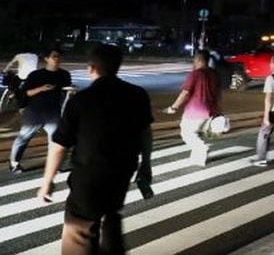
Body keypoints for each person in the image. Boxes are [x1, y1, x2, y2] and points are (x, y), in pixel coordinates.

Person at [38, 44, 153, 255]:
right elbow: (145, 133)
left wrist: (47, 181)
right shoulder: (138, 95)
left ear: (92, 68)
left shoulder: (81, 100)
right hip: (122, 171)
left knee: (80, 228)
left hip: (88, 175)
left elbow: (59, 146)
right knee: (110, 213)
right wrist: (146, 165)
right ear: (118, 66)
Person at [11, 47, 72, 173]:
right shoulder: (36, 75)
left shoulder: (64, 74)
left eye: (59, 56)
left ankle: (55, 165)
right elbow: (25, 93)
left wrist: (70, 91)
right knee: (24, 137)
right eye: (54, 56)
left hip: (53, 112)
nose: (57, 59)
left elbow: (66, 89)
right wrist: (41, 89)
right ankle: (15, 163)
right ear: (46, 59)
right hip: (35, 111)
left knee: (56, 140)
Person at [165, 50, 220, 167]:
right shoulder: (214, 73)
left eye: (194, 59)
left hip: (195, 109)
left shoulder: (195, 74)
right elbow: (218, 93)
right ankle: (197, 158)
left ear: (198, 60)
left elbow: (185, 92)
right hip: (210, 110)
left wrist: (174, 107)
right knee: (196, 132)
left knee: (186, 132)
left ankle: (202, 147)